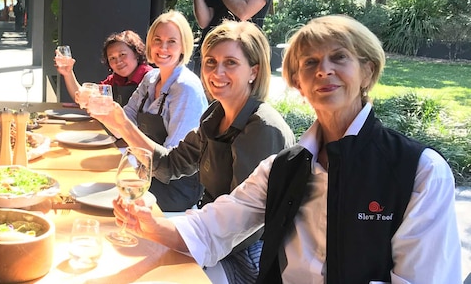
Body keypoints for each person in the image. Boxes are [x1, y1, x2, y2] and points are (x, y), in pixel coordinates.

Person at [113, 15, 461, 283]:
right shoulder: (283, 167)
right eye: (310, 63)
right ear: (297, 82)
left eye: (339, 58)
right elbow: (213, 226)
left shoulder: (419, 172)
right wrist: (148, 224)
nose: (324, 70)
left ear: (367, 71)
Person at [99, 21, 295, 283]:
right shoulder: (215, 115)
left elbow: (242, 225)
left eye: (231, 63)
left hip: (242, 257)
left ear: (254, 71)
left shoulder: (261, 128)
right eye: (211, 62)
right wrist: (122, 125)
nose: (217, 71)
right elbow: (170, 164)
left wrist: (172, 235)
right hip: (208, 236)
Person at [93, 11, 208, 211]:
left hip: (175, 189)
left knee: (106, 204)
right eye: (157, 40)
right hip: (147, 175)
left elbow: (172, 164)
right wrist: (100, 113)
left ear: (184, 46)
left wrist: (121, 122)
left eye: (171, 41)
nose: (162, 48)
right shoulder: (151, 79)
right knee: (95, 186)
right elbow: (122, 125)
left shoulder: (186, 88)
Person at [54, 30, 153, 106]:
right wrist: (68, 73)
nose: (118, 61)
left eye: (122, 54)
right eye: (112, 58)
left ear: (136, 53)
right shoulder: (116, 79)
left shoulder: (151, 78)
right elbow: (85, 98)